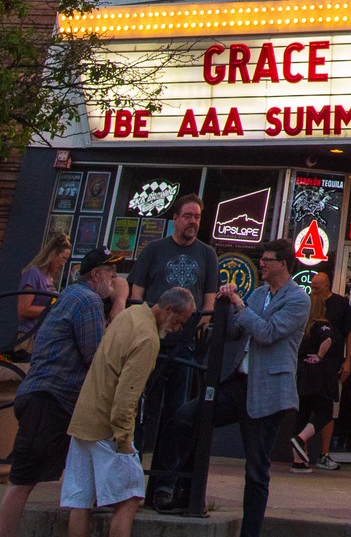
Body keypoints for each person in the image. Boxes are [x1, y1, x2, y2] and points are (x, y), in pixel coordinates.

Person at [0, 246, 129, 537]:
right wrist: (120, 303)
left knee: (63, 472)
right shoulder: (88, 299)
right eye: (112, 272)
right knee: (21, 481)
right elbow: (97, 357)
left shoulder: (72, 295)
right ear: (96, 275)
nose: (115, 278)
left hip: (51, 399)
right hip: (49, 399)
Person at [62, 287, 196, 537]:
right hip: (107, 427)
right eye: (178, 322)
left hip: (84, 418)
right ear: (167, 310)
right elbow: (127, 395)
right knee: (130, 498)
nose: (178, 329)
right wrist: (125, 441)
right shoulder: (148, 338)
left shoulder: (130, 314)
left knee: (80, 501)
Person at [216, 238, 309, 537]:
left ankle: (250, 532)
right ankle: (175, 490)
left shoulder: (298, 300)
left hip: (269, 390)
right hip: (239, 383)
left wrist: (242, 308)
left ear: (283, 263)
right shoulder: (257, 294)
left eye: (267, 259)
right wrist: (227, 303)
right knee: (190, 417)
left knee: (256, 470)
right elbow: (234, 331)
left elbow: (268, 332)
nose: (261, 264)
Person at [133, 193, 215, 512]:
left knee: (176, 416)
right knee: (140, 412)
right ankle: (130, 481)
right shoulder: (154, 250)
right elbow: (138, 294)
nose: (193, 221)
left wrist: (196, 327)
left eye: (197, 216)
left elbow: (208, 301)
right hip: (151, 342)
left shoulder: (207, 254)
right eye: (188, 216)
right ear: (176, 219)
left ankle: (164, 486)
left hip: (185, 347)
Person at [307, 269, 351, 470]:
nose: (314, 290)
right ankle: (301, 452)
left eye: (317, 287)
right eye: (312, 287)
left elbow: (350, 332)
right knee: (305, 407)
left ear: (327, 286)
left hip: (332, 365)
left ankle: (324, 454)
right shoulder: (308, 303)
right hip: (309, 365)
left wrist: (348, 361)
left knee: (329, 410)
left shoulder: (340, 304)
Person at [288, 292, 337, 472]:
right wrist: (320, 355)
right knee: (325, 412)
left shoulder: (302, 327)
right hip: (316, 376)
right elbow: (328, 340)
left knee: (301, 414)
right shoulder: (322, 325)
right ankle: (301, 439)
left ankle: (298, 462)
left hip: (299, 374)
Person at [15, 232, 72, 349]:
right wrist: (54, 309)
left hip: (43, 337)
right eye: (63, 258)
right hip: (29, 336)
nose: (63, 264)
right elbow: (24, 309)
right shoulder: (33, 273)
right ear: (53, 254)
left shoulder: (49, 278)